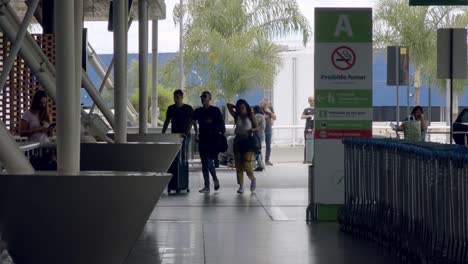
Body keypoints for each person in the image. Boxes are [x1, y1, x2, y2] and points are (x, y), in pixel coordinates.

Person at [193, 91, 226, 193]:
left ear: (209, 98)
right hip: (203, 139)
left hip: (213, 140)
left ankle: (213, 180)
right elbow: (192, 120)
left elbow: (222, 126)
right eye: (201, 97)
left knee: (208, 161)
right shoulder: (198, 111)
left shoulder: (215, 110)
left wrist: (213, 125)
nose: (202, 99)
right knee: (204, 163)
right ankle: (207, 185)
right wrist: (196, 132)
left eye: (204, 97)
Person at [227, 100, 258, 193]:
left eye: (243, 108)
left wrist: (251, 130)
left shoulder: (250, 115)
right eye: (239, 108)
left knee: (246, 162)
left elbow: (257, 127)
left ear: (246, 107)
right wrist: (235, 107)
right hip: (238, 141)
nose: (241, 110)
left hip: (248, 141)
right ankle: (241, 186)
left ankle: (252, 178)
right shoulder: (237, 116)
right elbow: (228, 105)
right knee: (238, 164)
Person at [162, 89, 194, 164]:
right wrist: (163, 132)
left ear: (182, 97)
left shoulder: (188, 108)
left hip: (185, 134)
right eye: (174, 97)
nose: (175, 99)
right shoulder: (171, 108)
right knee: (176, 154)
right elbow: (167, 121)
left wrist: (189, 132)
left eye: (177, 97)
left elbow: (192, 121)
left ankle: (183, 171)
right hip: (175, 135)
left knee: (184, 154)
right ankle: (177, 172)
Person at [261, 98, 276, 166]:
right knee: (259, 145)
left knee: (268, 146)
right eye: (264, 104)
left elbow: (275, 118)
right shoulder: (259, 108)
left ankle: (267, 160)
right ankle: (259, 161)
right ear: (262, 103)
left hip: (268, 129)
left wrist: (270, 112)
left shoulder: (270, 108)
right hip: (261, 130)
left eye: (267, 104)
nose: (266, 105)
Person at [301, 97, 315, 162]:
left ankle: (314, 158)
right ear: (308, 102)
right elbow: (302, 116)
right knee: (307, 143)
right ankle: (306, 159)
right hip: (308, 129)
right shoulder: (306, 110)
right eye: (310, 101)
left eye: (313, 100)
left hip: (316, 129)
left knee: (315, 144)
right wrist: (309, 116)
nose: (312, 102)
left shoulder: (317, 109)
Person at [253, 105, 265, 171]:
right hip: (261, 134)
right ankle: (261, 164)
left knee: (257, 150)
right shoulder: (262, 115)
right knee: (259, 150)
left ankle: (260, 165)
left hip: (258, 135)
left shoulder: (258, 116)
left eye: (253, 109)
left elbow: (255, 124)